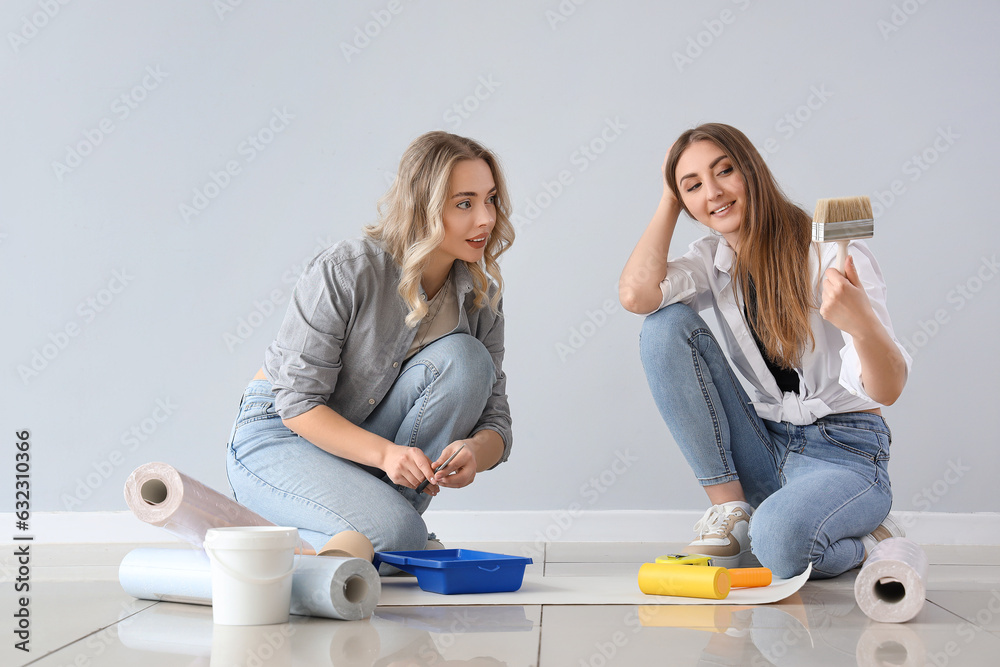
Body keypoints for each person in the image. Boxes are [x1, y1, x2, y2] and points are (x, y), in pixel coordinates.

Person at [619, 123, 911, 579]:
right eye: (693, 186)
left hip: (845, 451)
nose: (712, 192)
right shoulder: (710, 260)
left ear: (752, 170)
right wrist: (667, 200)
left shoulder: (830, 255)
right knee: (663, 325)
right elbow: (637, 296)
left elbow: (888, 388)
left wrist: (861, 323)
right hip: (765, 442)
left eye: (724, 171)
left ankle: (872, 539)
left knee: (777, 546)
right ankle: (732, 510)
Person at [226, 131, 515, 556]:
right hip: (279, 435)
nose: (486, 219)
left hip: (363, 449)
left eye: (490, 199)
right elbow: (298, 404)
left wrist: (476, 451)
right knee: (401, 539)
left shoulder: (480, 296)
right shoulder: (347, 269)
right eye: (464, 203)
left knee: (466, 359)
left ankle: (381, 532)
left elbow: (496, 420)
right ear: (424, 208)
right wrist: (385, 456)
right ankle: (383, 535)